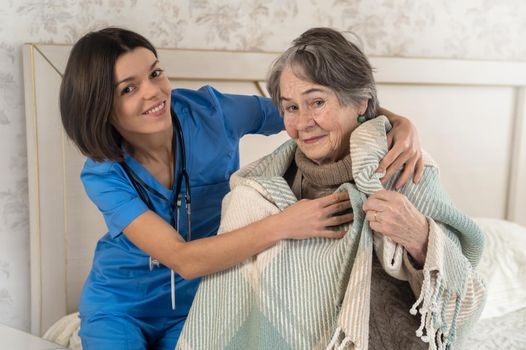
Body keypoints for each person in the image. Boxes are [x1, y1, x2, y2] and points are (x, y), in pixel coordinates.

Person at [59, 27, 425, 349]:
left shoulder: (212, 113)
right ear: (101, 105)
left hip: (198, 299)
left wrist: (394, 120)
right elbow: (183, 259)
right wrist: (285, 224)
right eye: (129, 88)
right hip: (121, 304)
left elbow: (305, 107)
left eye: (155, 73)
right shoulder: (103, 174)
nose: (154, 93)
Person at [177, 28, 486, 350]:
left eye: (317, 102)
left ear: (360, 102)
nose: (303, 122)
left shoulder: (403, 168)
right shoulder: (259, 192)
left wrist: (420, 238)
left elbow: (465, 296)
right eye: (291, 108)